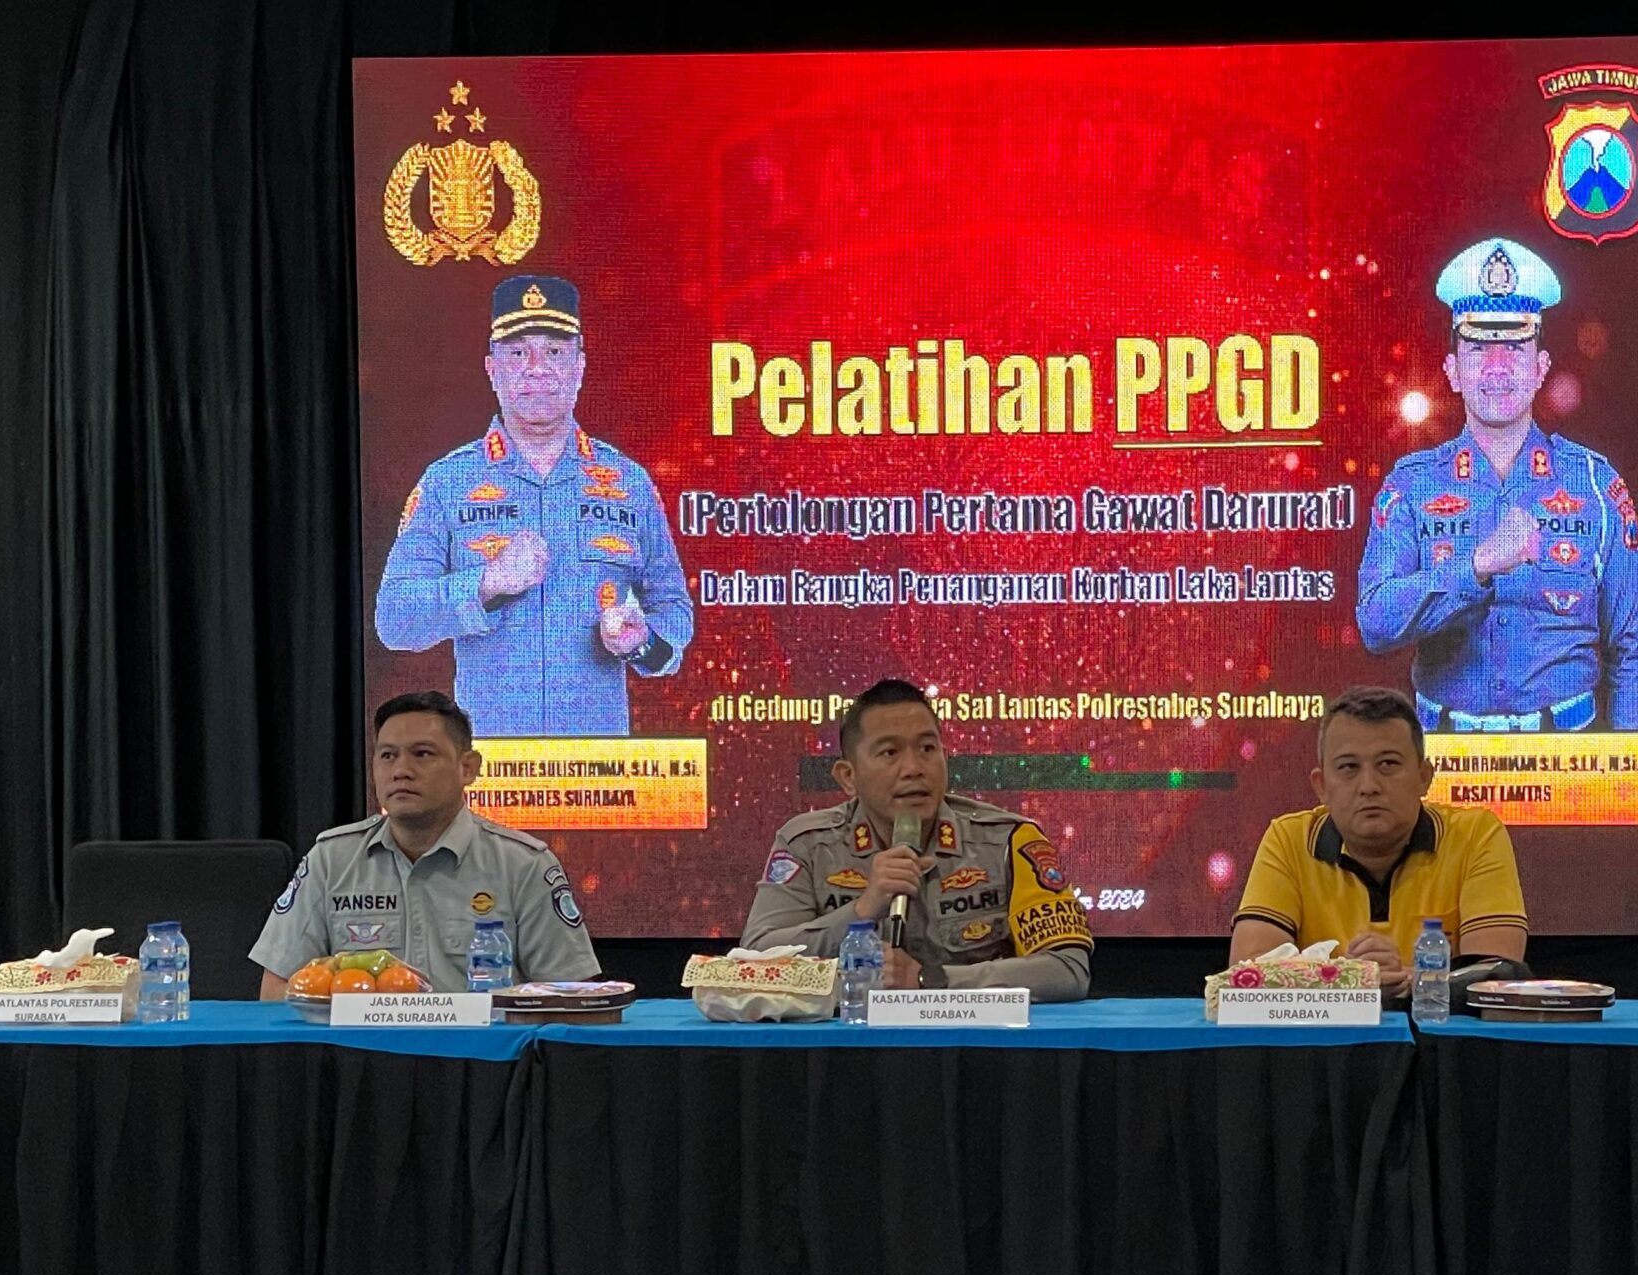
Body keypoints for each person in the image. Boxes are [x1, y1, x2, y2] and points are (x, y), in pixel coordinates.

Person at [375, 273, 693, 737]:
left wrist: (641, 641)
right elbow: (395, 618)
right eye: (518, 352)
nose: (537, 368)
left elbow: (673, 607)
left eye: (556, 352)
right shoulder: (447, 482)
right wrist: (487, 582)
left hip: (598, 766)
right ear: (492, 368)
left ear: (580, 367)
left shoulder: (629, 482)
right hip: (490, 763)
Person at [1357, 235, 1638, 735]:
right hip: (1444, 758)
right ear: (1453, 371)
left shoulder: (1596, 485)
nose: (1497, 367)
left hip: (1568, 756)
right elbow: (1375, 623)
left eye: (1514, 347)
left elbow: (1632, 653)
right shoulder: (1411, 485)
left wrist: (1628, 769)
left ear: (1540, 369)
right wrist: (1477, 566)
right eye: (1478, 348)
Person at [742, 679, 1093, 1000]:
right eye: (889, 753)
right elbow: (754, 961)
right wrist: (861, 911)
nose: (914, 768)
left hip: (973, 1042)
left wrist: (931, 980)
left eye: (927, 748)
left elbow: (1068, 970)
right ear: (848, 777)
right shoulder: (808, 844)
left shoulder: (1007, 841)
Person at [251, 690, 599, 994]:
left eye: (422, 754)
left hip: (481, 1049)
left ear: (468, 768)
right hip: (359, 1048)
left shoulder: (523, 865)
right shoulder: (332, 860)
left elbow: (571, 996)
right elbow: (277, 989)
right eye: (387, 755)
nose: (401, 770)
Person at [1230, 684, 1527, 1002]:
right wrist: (1350, 978)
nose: (1369, 786)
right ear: (1322, 786)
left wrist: (1405, 980)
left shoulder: (1475, 835)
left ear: (1424, 777)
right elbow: (1247, 973)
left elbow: (1497, 975)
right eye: (1348, 768)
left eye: (1388, 764)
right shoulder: (1289, 840)